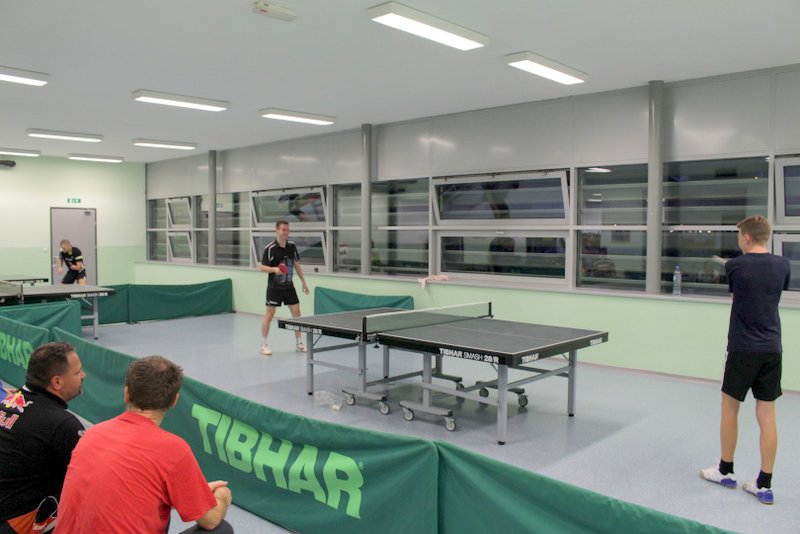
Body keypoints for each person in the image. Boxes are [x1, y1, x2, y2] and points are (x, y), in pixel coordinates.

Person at [55, 356, 233, 533]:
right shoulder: (174, 449)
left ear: (126, 394)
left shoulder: (92, 434)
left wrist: (196, 494)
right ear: (174, 400)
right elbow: (210, 520)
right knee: (222, 529)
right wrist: (222, 496)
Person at [700, 215, 791, 505]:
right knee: (767, 414)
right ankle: (764, 484)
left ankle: (725, 471)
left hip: (742, 348)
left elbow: (738, 296)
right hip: (772, 348)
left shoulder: (735, 266)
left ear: (747, 238)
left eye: (740, 236)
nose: (739, 240)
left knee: (730, 407)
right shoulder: (783, 265)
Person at [0, 342, 86, 533]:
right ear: (57, 382)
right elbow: (90, 482)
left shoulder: (8, 402)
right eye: (77, 372)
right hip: (16, 523)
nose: (83, 375)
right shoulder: (63, 425)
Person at [259, 220, 310, 356]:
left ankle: (299, 343)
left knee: (297, 314)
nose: (286, 232)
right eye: (283, 229)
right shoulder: (270, 248)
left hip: (289, 287)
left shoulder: (292, 246)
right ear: (277, 230)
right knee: (269, 315)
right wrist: (275, 269)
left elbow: (296, 264)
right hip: (274, 288)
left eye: (287, 229)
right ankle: (263, 345)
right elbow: (262, 267)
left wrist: (303, 282)